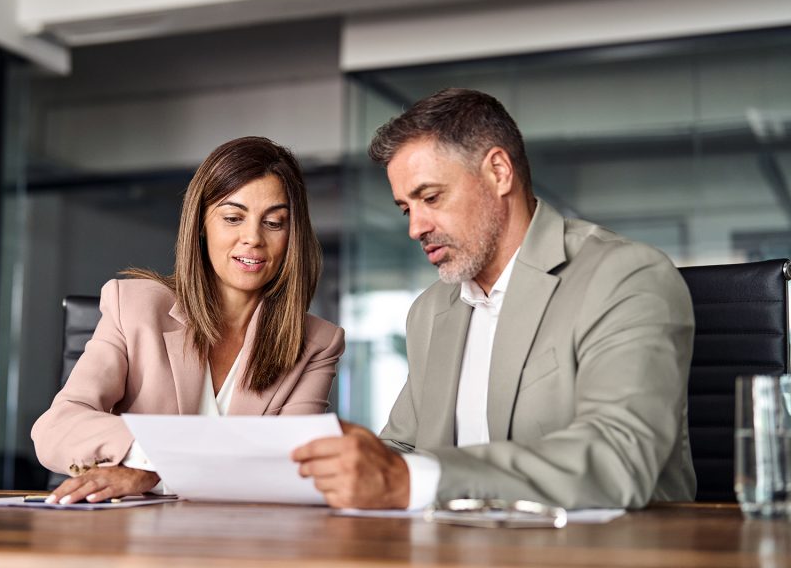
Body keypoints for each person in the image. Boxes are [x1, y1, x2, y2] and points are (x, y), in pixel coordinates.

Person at [293, 88, 696, 510]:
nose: (416, 227)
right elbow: (404, 448)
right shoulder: (430, 311)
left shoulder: (624, 276)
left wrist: (413, 479)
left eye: (431, 197)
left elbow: (619, 458)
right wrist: (354, 461)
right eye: (406, 208)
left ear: (499, 172)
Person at [33, 136, 345, 504]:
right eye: (233, 218)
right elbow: (56, 427)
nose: (253, 238)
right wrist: (149, 461)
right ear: (201, 224)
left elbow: (293, 469)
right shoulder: (132, 306)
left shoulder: (318, 343)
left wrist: (156, 471)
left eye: (274, 223)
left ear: (293, 236)